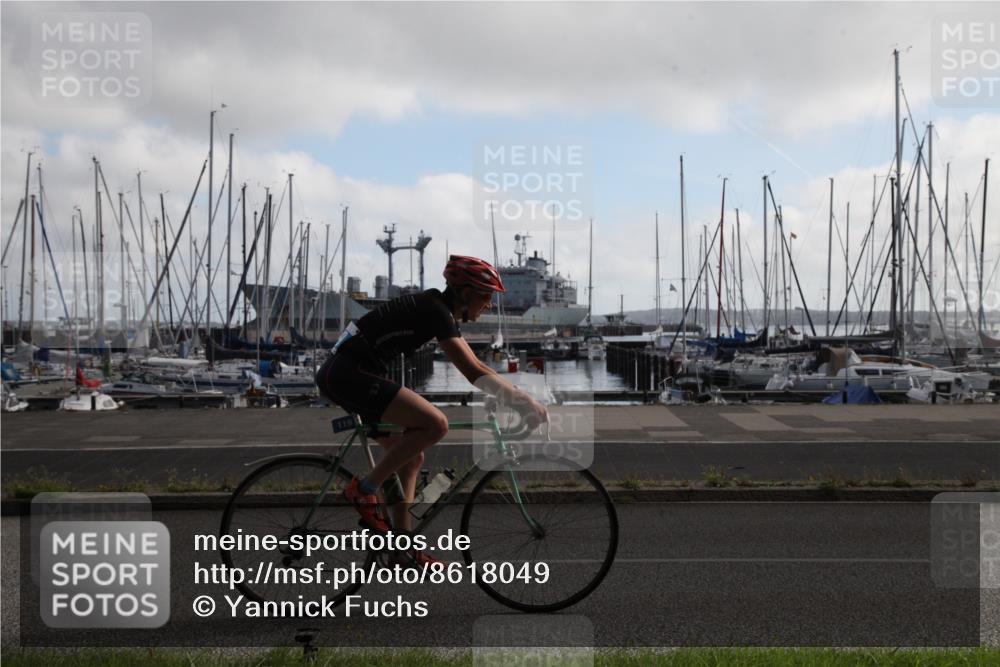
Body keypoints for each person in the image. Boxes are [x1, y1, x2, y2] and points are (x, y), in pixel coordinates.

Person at [315, 255, 549, 565]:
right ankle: (364, 489)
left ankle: (402, 550)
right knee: (436, 424)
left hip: (349, 373)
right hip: (351, 374)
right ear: (465, 293)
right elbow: (472, 368)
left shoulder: (436, 309)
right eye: (486, 295)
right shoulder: (435, 310)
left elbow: (475, 366)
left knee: (411, 458)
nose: (489, 304)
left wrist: (513, 396)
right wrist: (523, 401)